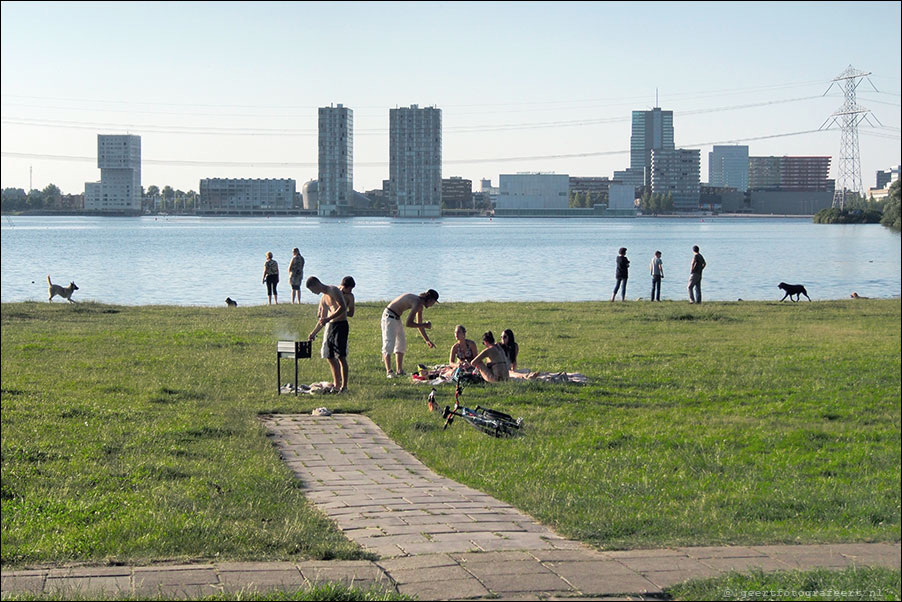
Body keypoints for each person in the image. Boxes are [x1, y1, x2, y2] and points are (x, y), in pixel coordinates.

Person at [381, 289, 439, 378]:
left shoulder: (420, 305)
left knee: (401, 344)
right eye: (433, 302)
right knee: (389, 343)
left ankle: (399, 371)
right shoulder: (417, 302)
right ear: (430, 300)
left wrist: (427, 340)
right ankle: (389, 372)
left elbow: (419, 324)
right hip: (389, 316)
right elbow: (409, 323)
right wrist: (425, 325)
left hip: (396, 317)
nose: (432, 305)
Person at [306, 276, 349, 392]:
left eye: (312, 290)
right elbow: (322, 320)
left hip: (341, 325)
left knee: (341, 356)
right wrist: (313, 333)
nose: (313, 293)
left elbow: (343, 307)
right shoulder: (323, 299)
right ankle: (336, 385)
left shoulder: (333, 290)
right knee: (329, 356)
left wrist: (328, 318)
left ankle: (344, 387)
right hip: (331, 326)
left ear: (316, 284)